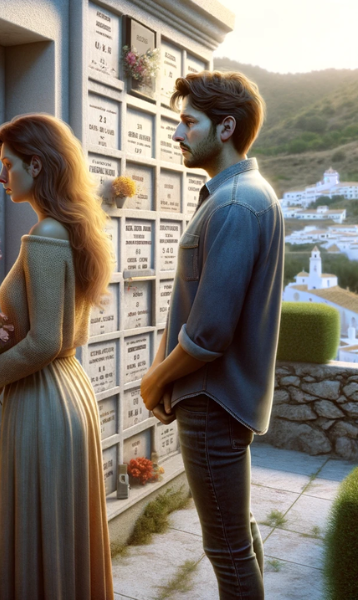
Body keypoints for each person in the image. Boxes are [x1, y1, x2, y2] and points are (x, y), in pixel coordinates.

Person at [140, 71, 284, 600]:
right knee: (237, 536)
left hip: (210, 401)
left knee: (226, 549)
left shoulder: (234, 204)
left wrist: (154, 382)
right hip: (220, 400)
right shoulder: (242, 194)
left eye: (186, 122)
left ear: (225, 128)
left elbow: (208, 333)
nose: (176, 135)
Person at [0, 113, 114, 600]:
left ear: (36, 164)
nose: (2, 176)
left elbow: (47, 339)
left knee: (43, 531)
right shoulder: (71, 229)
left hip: (43, 400)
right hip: (69, 391)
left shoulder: (48, 235)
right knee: (64, 532)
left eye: (8, 165)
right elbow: (74, 333)